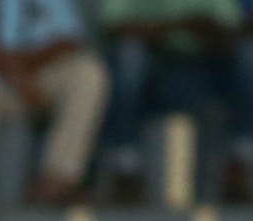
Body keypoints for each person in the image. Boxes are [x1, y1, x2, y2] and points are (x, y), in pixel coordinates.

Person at [0, 0, 109, 204]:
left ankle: (58, 178)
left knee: (88, 73)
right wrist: (8, 70)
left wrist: (24, 69)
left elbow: (69, 37)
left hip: (36, 72)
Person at [94, 0, 253, 203]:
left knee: (247, 54)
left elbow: (231, 26)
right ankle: (126, 167)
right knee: (129, 57)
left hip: (205, 67)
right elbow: (113, 24)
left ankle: (238, 162)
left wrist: (208, 30)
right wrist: (173, 27)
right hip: (154, 67)